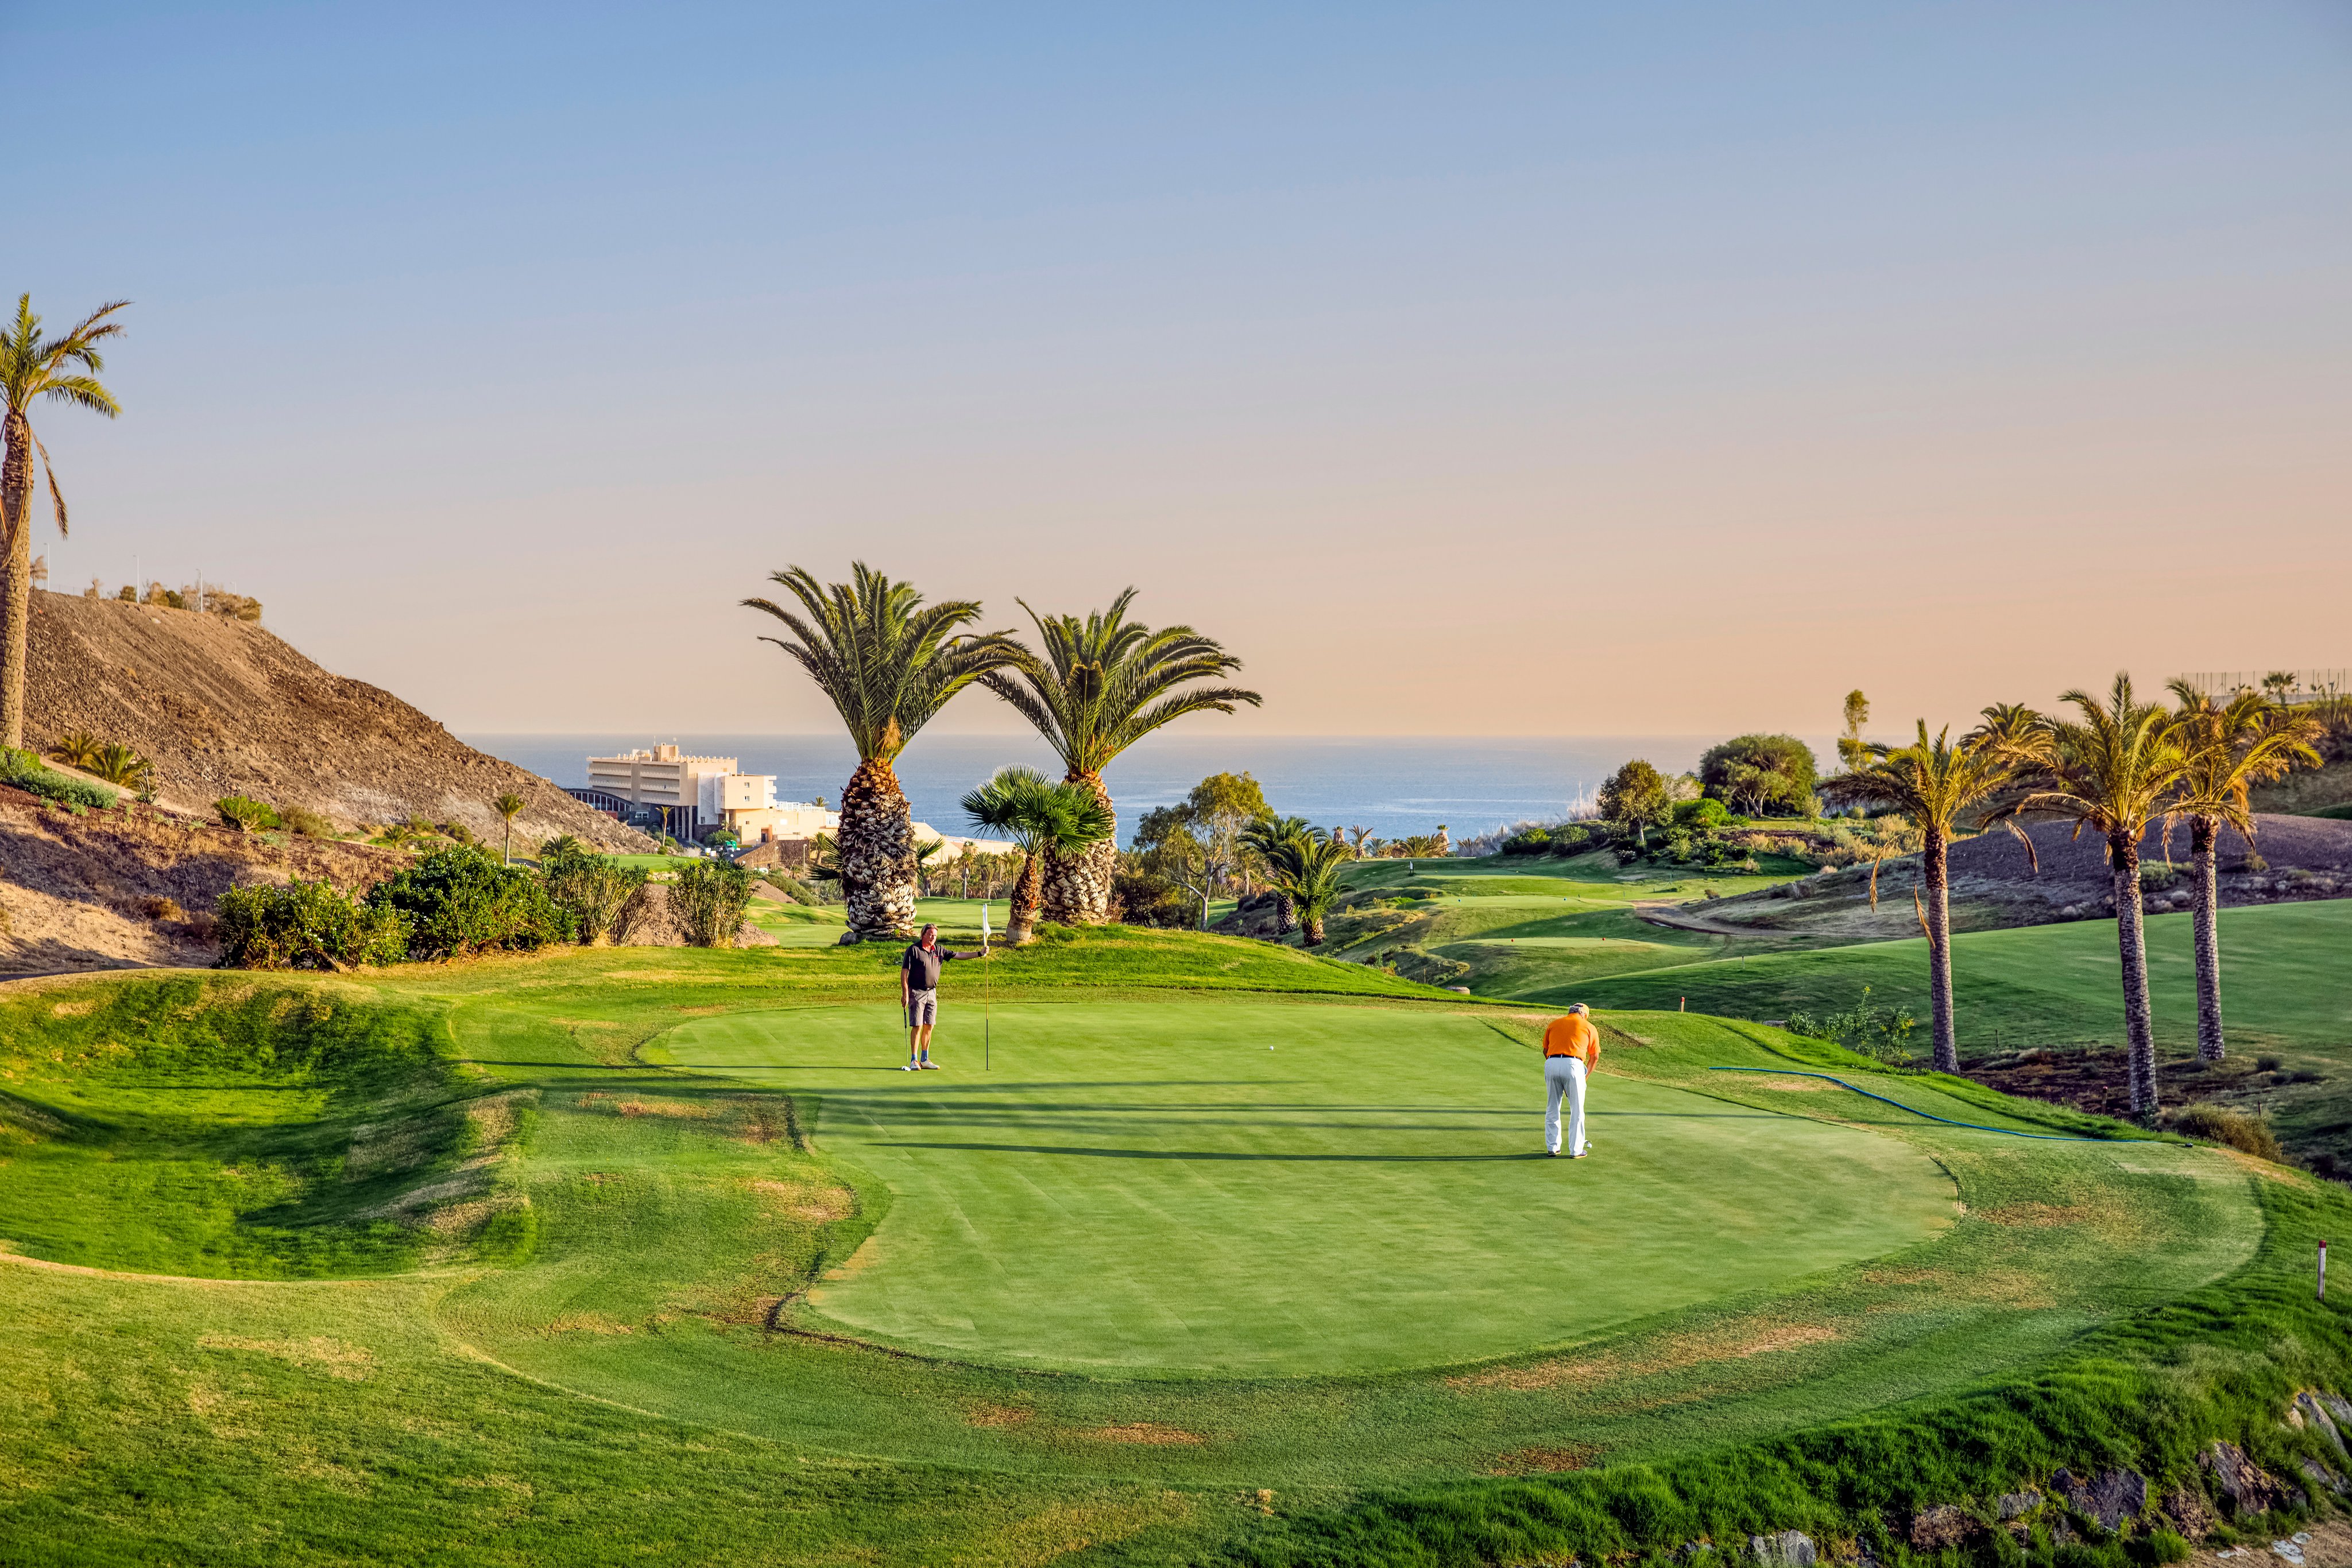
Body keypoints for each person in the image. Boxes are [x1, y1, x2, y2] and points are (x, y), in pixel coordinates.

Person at [900, 923, 977, 1071]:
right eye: (930, 935)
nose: (933, 937)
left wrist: (978, 953)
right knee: (918, 1025)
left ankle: (925, 1059)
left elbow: (959, 955)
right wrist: (905, 992)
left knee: (930, 1025)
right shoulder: (914, 950)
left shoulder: (939, 950)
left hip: (932, 993)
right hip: (916, 992)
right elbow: (904, 973)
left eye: (935, 935)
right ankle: (914, 1060)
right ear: (923, 935)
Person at [1542, 1003, 1600, 1157]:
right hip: (1574, 1065)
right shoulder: (1589, 1027)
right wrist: (1584, 1078)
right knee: (1577, 1110)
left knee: (1553, 1107)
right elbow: (1595, 1057)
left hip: (1552, 1062)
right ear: (1584, 1015)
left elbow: (1546, 1050)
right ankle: (1576, 1150)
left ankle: (1553, 1148)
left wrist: (1556, 1065)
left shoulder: (1554, 1024)